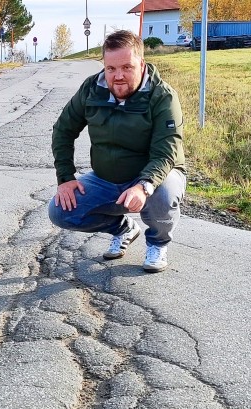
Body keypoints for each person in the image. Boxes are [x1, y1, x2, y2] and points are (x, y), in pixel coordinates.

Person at [48, 30, 186, 273]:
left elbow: (166, 152)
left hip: (155, 176)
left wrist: (144, 186)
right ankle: (123, 228)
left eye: (126, 67)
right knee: (60, 211)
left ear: (141, 64)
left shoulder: (162, 96)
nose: (118, 76)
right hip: (106, 178)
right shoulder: (92, 89)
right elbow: (62, 130)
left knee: (163, 194)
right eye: (111, 69)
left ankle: (157, 243)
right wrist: (66, 178)